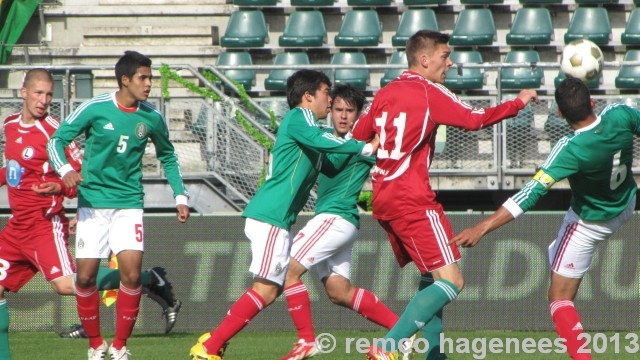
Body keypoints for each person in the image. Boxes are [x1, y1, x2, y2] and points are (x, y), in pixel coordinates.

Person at [351, 30, 539, 359]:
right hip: (413, 199)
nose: (449, 63)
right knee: (452, 281)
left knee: (431, 278)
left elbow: (358, 135)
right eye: (444, 56)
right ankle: (387, 346)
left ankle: (436, 356)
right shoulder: (428, 92)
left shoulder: (386, 92)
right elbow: (474, 119)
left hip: (382, 197)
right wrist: (518, 102)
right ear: (424, 60)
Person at [189, 70, 379, 360]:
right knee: (267, 288)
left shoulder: (312, 132)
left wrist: (373, 141)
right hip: (270, 217)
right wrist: (365, 146)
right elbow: (330, 144)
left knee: (272, 288)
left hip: (277, 219)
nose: (330, 100)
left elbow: (333, 157)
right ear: (308, 97)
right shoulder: (300, 117)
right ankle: (213, 346)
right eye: (326, 93)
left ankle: (216, 340)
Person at [450, 77, 639, 360]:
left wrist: (482, 226)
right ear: (592, 102)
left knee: (559, 297)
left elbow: (530, 193)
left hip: (589, 224)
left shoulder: (570, 148)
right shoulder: (620, 114)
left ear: (560, 114)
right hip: (626, 203)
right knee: (557, 254)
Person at [0, 69, 181, 360]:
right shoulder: (9, 124)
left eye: (49, 94)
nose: (44, 100)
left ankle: (147, 280)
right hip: (15, 227)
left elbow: (81, 175)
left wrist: (61, 187)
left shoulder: (54, 132)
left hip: (43, 225)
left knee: (67, 285)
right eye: (38, 93)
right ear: (23, 92)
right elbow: (14, 168)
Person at [47, 51, 190, 360]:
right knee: (84, 278)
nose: (149, 83)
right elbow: (55, 141)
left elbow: (167, 155)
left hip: (128, 204)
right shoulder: (95, 108)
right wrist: (65, 171)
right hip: (93, 205)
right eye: (143, 77)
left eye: (151, 78)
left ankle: (121, 346)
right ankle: (96, 345)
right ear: (125, 80)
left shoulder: (151, 116)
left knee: (133, 276)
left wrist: (180, 196)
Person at [279, 84, 398, 360]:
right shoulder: (324, 137)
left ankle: (306, 341)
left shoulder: (361, 138)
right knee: (339, 292)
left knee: (286, 271)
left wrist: (376, 140)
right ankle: (400, 332)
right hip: (341, 223)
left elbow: (385, 133)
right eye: (339, 110)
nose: (344, 116)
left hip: (335, 218)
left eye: (350, 111)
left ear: (358, 115)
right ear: (330, 110)